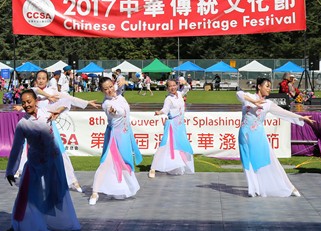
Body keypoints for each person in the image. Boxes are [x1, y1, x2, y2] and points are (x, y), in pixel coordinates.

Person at [1, 89, 82, 231]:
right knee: (25, 194)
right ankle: (16, 226)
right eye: (23, 103)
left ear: (36, 101)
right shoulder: (22, 124)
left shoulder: (46, 112)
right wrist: (10, 171)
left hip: (53, 159)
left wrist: (57, 111)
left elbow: (66, 101)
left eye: (29, 101)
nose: (26, 105)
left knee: (57, 192)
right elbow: (16, 149)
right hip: (35, 162)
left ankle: (44, 217)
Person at [18, 69, 99, 192]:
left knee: (60, 153)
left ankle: (73, 181)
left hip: (49, 128)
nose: (41, 80)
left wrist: (86, 102)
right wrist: (48, 96)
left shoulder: (52, 91)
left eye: (43, 78)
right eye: (39, 78)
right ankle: (27, 179)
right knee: (30, 153)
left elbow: (68, 99)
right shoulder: (32, 92)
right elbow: (35, 91)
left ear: (47, 80)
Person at [236, 78, 315, 197]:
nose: (269, 89)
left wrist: (302, 118)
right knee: (247, 161)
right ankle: (253, 189)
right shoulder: (248, 97)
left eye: (270, 86)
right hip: (244, 134)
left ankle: (288, 186)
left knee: (269, 160)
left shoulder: (268, 104)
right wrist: (254, 101)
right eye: (267, 86)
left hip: (258, 135)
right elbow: (239, 94)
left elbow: (284, 112)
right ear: (259, 86)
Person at [89, 77, 142, 205]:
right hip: (114, 137)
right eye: (105, 89)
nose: (109, 90)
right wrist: (113, 111)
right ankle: (94, 193)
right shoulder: (106, 103)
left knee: (124, 162)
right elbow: (113, 112)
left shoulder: (118, 93)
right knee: (105, 163)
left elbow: (123, 83)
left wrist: (125, 81)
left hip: (124, 135)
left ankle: (122, 187)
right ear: (102, 91)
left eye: (110, 87)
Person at [150, 79, 194, 177]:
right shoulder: (168, 99)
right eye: (170, 86)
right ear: (167, 88)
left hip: (180, 124)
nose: (173, 88)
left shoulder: (180, 94)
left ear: (177, 86)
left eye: (174, 85)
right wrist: (159, 112)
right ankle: (153, 167)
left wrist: (185, 82)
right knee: (165, 144)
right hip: (172, 125)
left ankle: (176, 165)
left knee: (179, 145)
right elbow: (165, 109)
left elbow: (187, 88)